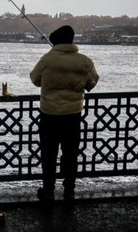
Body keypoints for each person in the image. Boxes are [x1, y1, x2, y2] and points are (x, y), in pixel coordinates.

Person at [30, 25, 99, 205]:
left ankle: (48, 192)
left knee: (49, 155)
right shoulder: (84, 61)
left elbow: (35, 79)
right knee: (70, 155)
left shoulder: (47, 59)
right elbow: (92, 82)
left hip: (49, 114)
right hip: (72, 115)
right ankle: (69, 191)